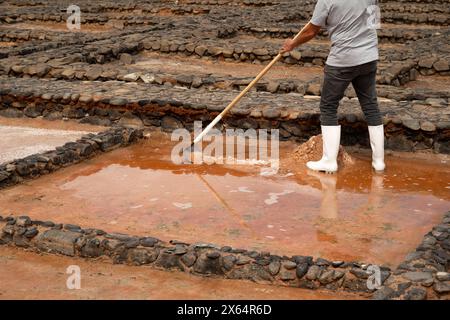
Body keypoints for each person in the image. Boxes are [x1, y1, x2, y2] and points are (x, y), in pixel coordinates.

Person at [281, 0, 385, 173]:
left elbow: (311, 31)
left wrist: (292, 44)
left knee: (328, 106)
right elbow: (374, 23)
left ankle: (329, 161)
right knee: (371, 105)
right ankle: (379, 161)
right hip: (369, 56)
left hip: (343, 59)